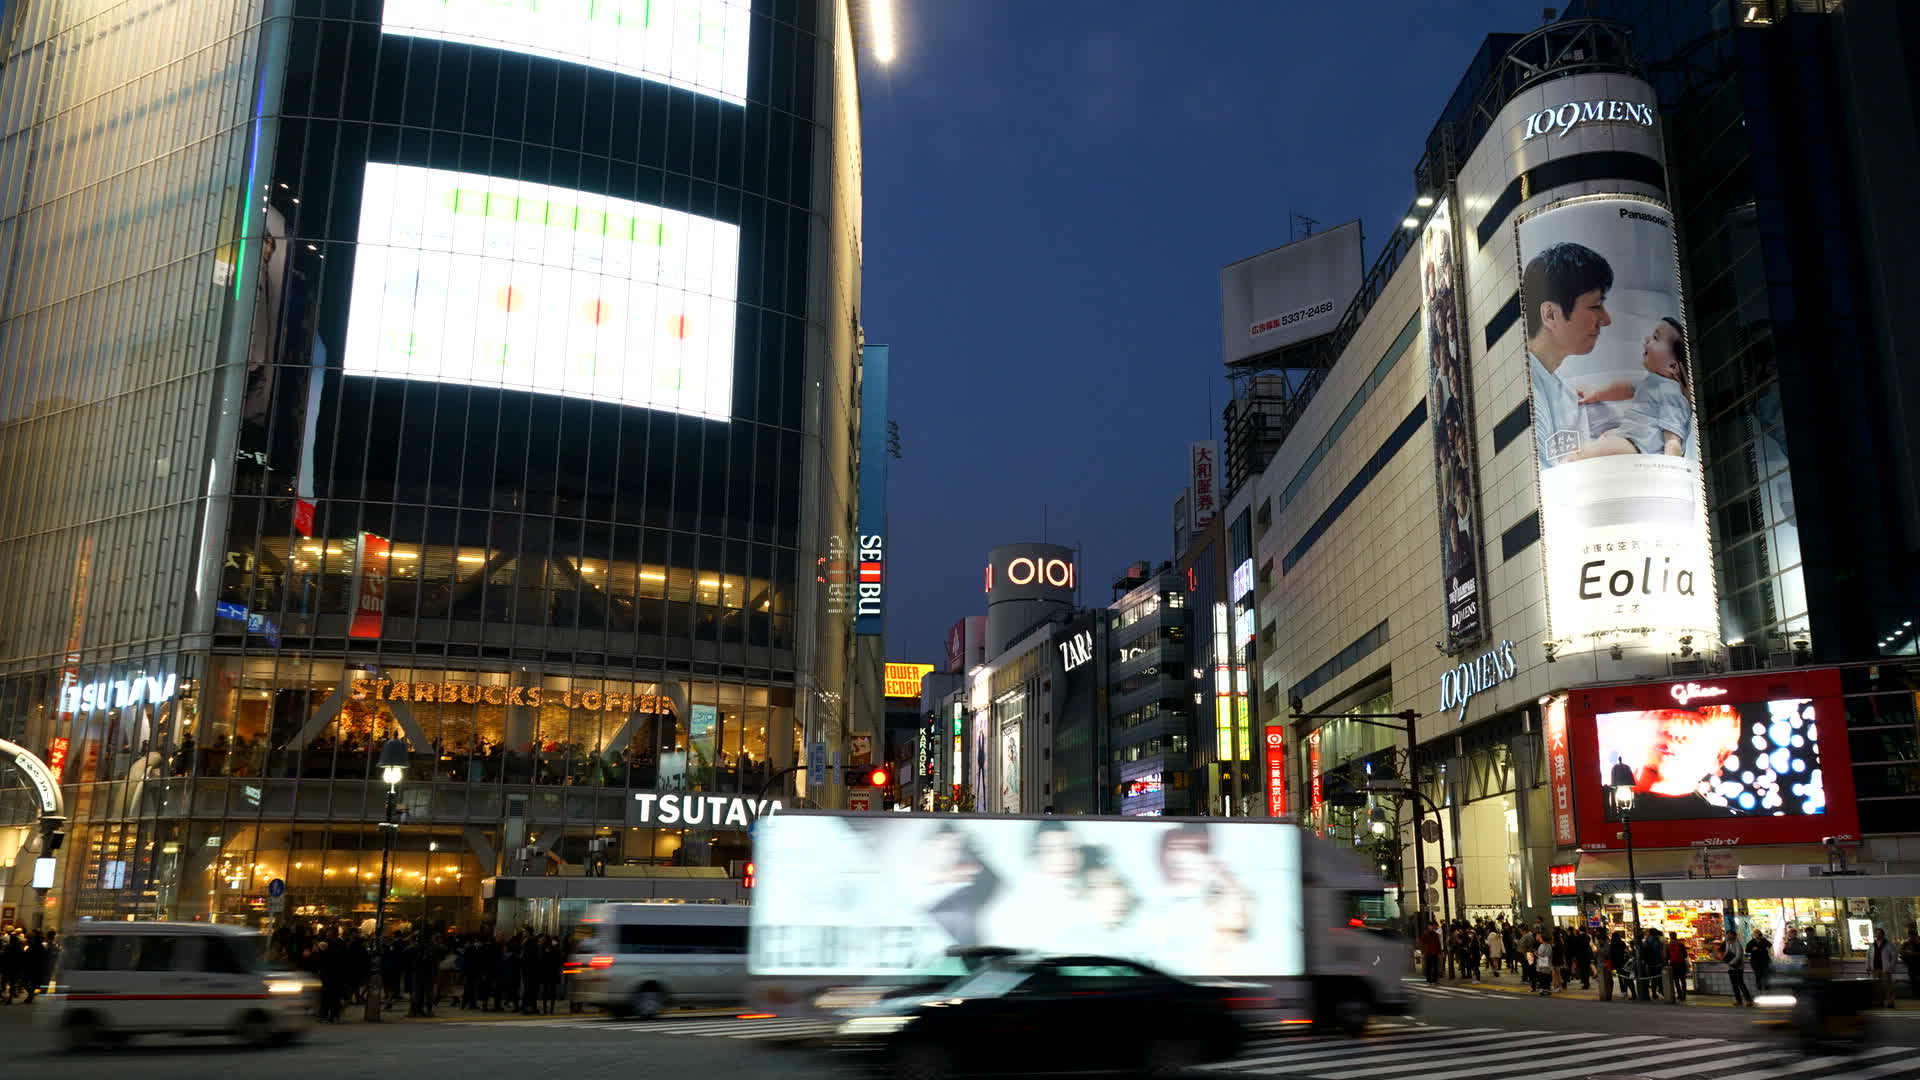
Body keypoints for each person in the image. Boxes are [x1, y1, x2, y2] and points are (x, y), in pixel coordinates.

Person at [1523, 240, 1614, 470]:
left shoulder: (1568, 392)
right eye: (1595, 306)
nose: (1606, 319)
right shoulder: (1526, 390)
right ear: (1551, 315)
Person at [1573, 316, 1693, 458]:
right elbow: (1625, 388)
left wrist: (1671, 469)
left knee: (1583, 453)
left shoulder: (1672, 393)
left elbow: (1673, 441)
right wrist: (1597, 393)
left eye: (1656, 337)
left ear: (1672, 366)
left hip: (1641, 448)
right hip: (1630, 439)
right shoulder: (1653, 382)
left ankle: (1572, 459)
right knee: (1607, 436)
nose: (1647, 339)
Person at [1871, 927, 1897, 1009]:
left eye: (1879, 933)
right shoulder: (1872, 945)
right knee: (1877, 986)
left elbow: (1894, 956)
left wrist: (1891, 966)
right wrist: (1868, 966)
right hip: (1875, 968)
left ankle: (1890, 1002)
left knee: (1888, 986)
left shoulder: (1888, 944)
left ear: (1883, 935)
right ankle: (1879, 1001)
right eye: (1876, 933)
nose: (1877, 935)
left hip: (1885, 968)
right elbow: (1868, 956)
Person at [1724, 932, 1752, 1007]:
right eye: (1727, 935)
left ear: (1733, 936)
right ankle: (1739, 1000)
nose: (1727, 936)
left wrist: (1731, 962)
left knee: (1741, 984)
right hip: (1731, 968)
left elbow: (1738, 956)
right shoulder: (1728, 944)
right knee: (1734, 985)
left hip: (1738, 967)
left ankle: (1749, 1000)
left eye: (1729, 935)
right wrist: (1725, 959)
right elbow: (1727, 953)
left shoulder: (1737, 944)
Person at [1666, 933, 1689, 1004]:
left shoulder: (1668, 946)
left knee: (1676, 980)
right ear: (1676, 936)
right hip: (1681, 964)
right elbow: (1685, 955)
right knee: (1683, 980)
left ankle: (1679, 994)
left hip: (1673, 965)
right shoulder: (1680, 944)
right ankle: (1684, 994)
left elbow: (1667, 956)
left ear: (1670, 937)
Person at [1608, 931, 1632, 1001]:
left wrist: (1612, 964)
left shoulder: (1612, 944)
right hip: (1623, 962)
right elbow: (1626, 951)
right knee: (1625, 977)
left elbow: (1611, 955)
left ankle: (1623, 991)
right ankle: (1625, 990)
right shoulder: (1622, 942)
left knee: (1620, 978)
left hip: (1616, 963)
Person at [1902, 924, 1920, 1001]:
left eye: (1913, 936)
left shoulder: (1918, 943)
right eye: (1911, 936)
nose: (1912, 937)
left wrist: (1913, 953)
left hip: (1916, 963)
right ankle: (1915, 993)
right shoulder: (1906, 943)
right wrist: (1908, 954)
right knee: (1913, 979)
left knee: (1915, 979)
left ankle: (1916, 993)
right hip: (1911, 963)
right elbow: (1902, 952)